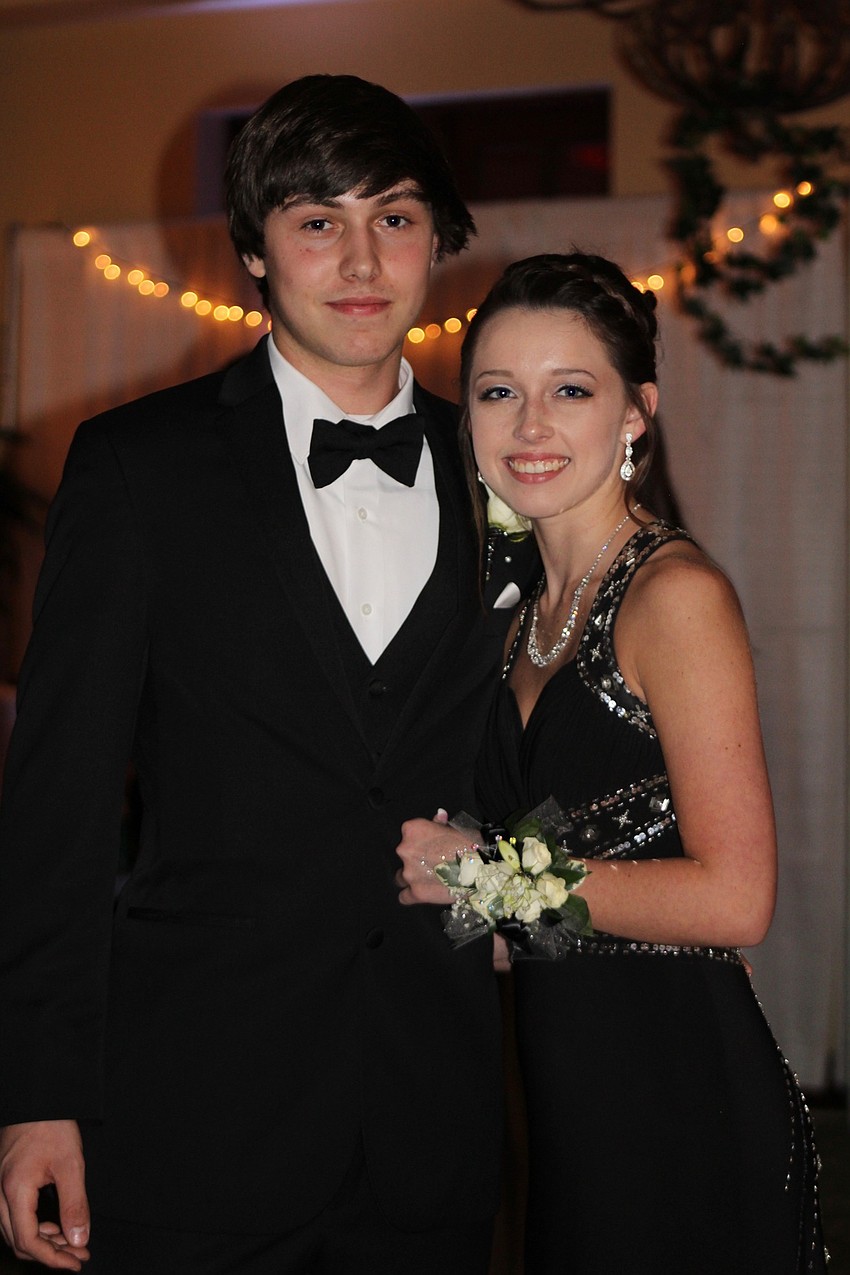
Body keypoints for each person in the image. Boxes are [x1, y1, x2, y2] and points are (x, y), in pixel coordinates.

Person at [0, 75, 536, 1274]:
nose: (360, 259)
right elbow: (58, 806)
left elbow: (549, 744)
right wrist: (35, 1095)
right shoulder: (138, 469)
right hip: (193, 1107)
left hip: (431, 1116)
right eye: (315, 221)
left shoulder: (505, 468)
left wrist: (527, 906)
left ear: (437, 242)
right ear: (253, 250)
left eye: (393, 218)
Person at [397, 252, 827, 1273]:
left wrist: (480, 876)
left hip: (680, 1088)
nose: (530, 427)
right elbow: (532, 921)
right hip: (565, 1086)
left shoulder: (671, 595)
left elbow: (736, 900)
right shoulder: (511, 616)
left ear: (636, 412)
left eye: (570, 391)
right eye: (499, 392)